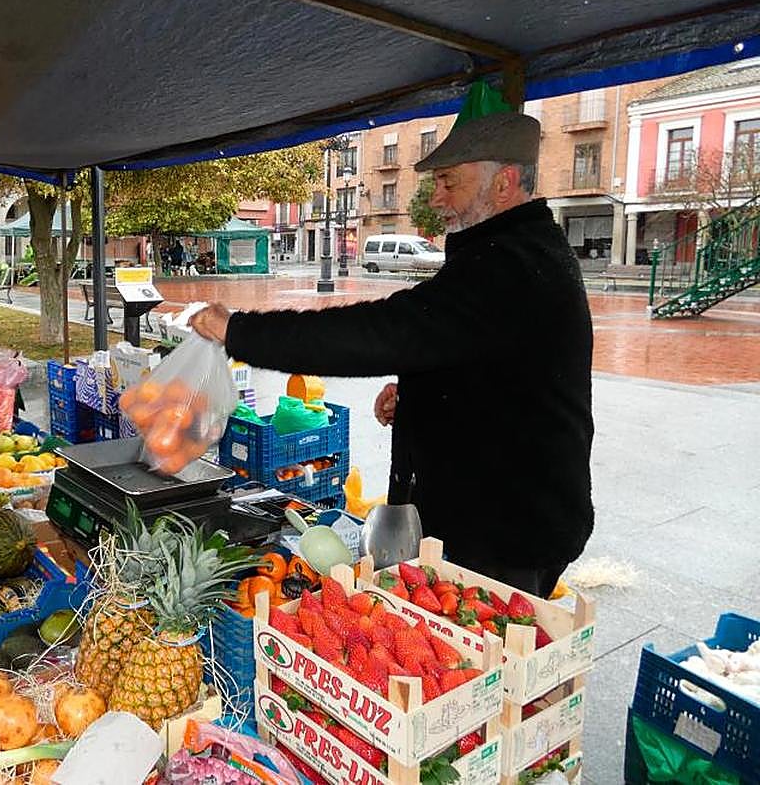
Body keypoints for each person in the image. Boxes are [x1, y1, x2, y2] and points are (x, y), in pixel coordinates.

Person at [192, 107, 594, 598]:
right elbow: (487, 361)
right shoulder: (508, 253)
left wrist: (239, 331)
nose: (437, 197)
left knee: (481, 643)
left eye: (448, 182)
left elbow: (382, 332)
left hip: (507, 531)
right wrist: (424, 397)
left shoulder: (513, 265)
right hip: (488, 515)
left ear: (504, 182)